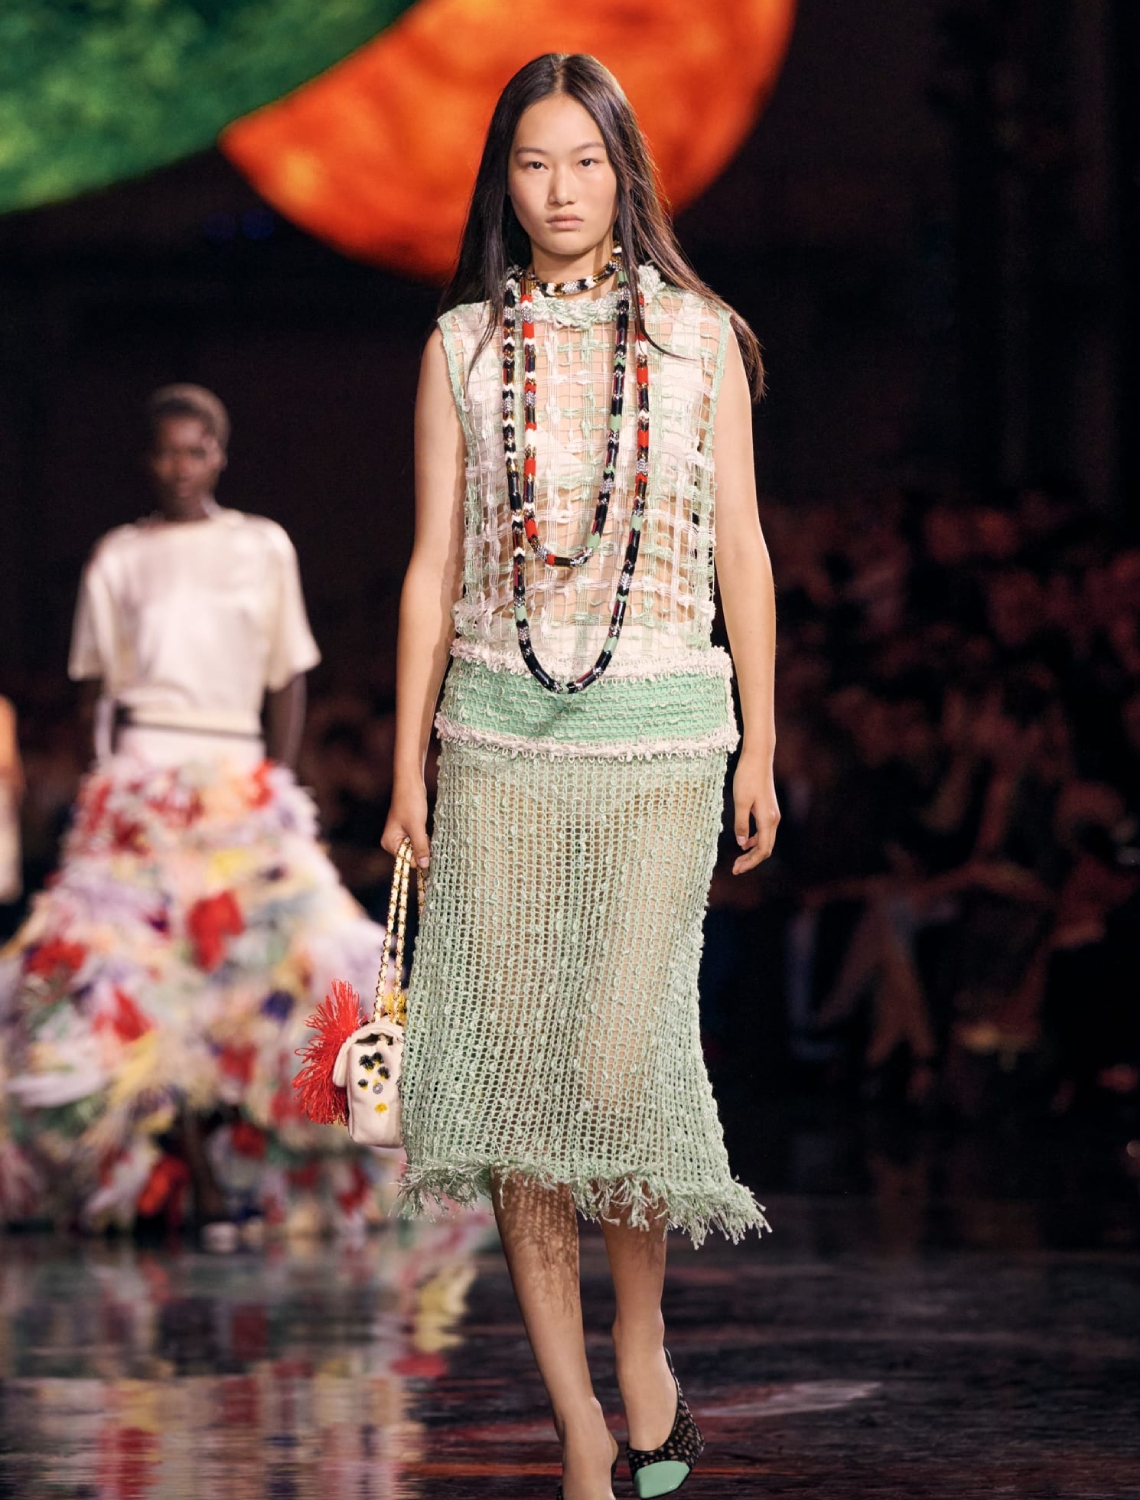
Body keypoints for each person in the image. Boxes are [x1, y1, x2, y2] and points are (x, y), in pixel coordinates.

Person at [382, 55, 779, 1500]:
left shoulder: (697, 337)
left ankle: (640, 1334)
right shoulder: (459, 348)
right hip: (495, 739)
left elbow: (742, 545)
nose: (561, 191)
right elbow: (431, 570)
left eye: (586, 162)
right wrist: (407, 766)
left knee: (613, 1066)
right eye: (535, 163)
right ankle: (576, 1428)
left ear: (627, 172)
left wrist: (765, 740)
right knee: (510, 1085)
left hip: (666, 737)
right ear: (504, 179)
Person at [0, 385, 386, 1245]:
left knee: (282, 964)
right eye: (167, 451)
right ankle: (189, 1180)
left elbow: (288, 675)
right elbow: (96, 691)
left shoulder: (261, 545)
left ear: (220, 454)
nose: (181, 466)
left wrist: (274, 781)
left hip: (239, 774)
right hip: (143, 778)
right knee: (136, 978)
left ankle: (273, 1167)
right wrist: (106, 789)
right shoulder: (119, 556)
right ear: (149, 460)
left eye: (196, 449)